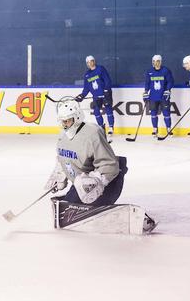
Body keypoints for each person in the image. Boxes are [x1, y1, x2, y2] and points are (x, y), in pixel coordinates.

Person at [44, 98, 156, 232]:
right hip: (82, 185)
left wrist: (96, 181)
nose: (64, 125)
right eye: (62, 121)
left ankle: (140, 219)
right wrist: (61, 174)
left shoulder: (92, 133)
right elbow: (64, 157)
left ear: (77, 118)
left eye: (67, 121)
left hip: (109, 182)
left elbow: (110, 165)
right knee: (69, 209)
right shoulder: (63, 135)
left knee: (89, 209)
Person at [76, 55, 115, 135]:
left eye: (91, 61)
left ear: (94, 61)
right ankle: (101, 128)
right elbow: (86, 88)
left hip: (105, 94)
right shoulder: (87, 74)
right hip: (96, 97)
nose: (89, 63)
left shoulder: (100, 69)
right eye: (87, 62)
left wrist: (106, 90)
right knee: (96, 112)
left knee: (108, 109)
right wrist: (82, 96)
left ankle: (111, 127)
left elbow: (107, 80)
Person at [143, 55, 175, 137]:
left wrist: (168, 90)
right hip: (153, 97)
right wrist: (146, 92)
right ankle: (154, 129)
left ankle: (168, 129)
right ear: (152, 62)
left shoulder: (166, 71)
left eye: (158, 61)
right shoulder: (149, 71)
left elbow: (170, 82)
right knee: (153, 113)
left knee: (166, 113)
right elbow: (147, 83)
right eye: (154, 61)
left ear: (160, 62)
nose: (156, 63)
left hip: (163, 96)